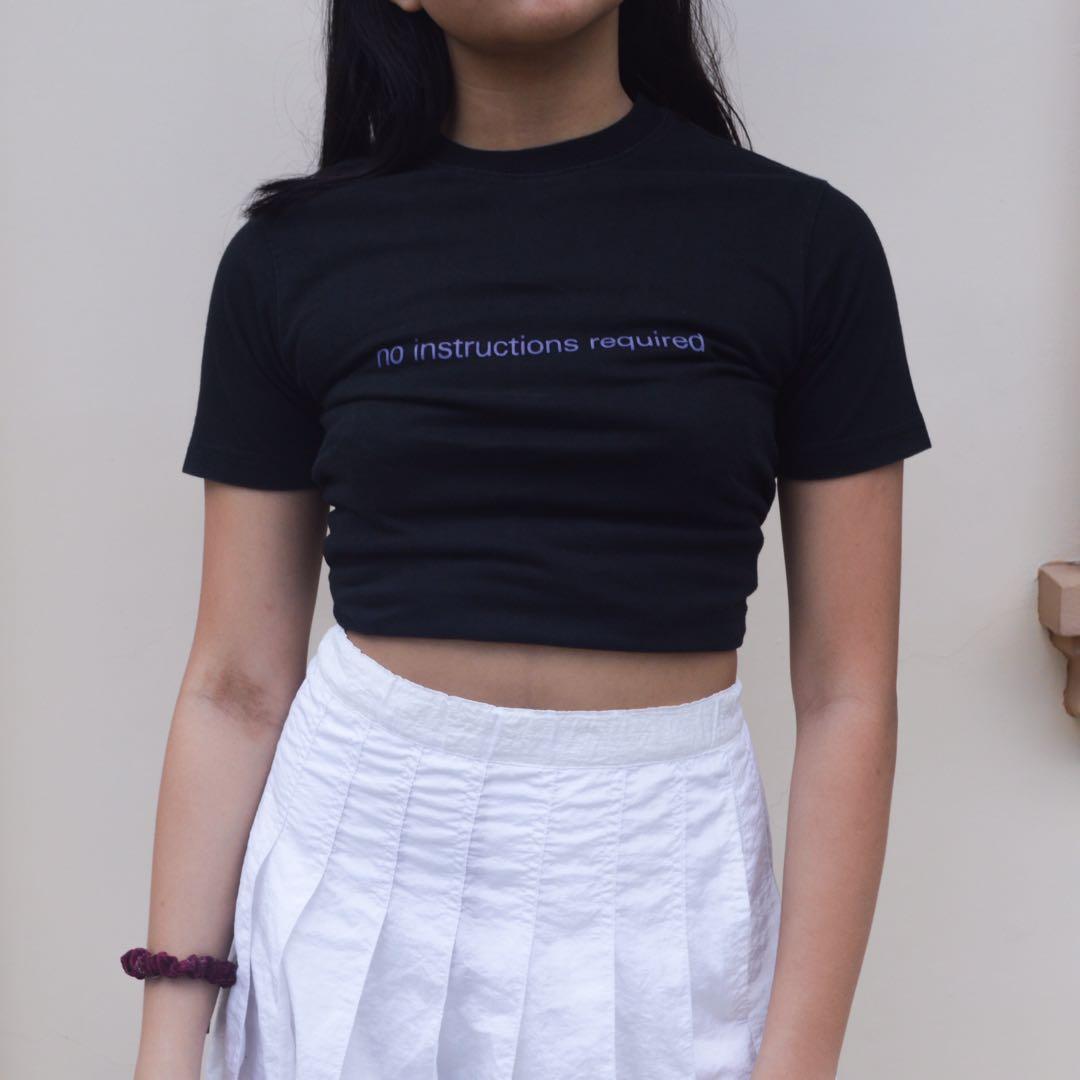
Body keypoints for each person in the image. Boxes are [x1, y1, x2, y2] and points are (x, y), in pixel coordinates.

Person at [126, 1, 932, 1077]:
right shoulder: (288, 258)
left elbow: (848, 696)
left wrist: (801, 1060)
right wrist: (167, 1042)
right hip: (360, 862)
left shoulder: (807, 244)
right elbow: (235, 688)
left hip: (662, 866)